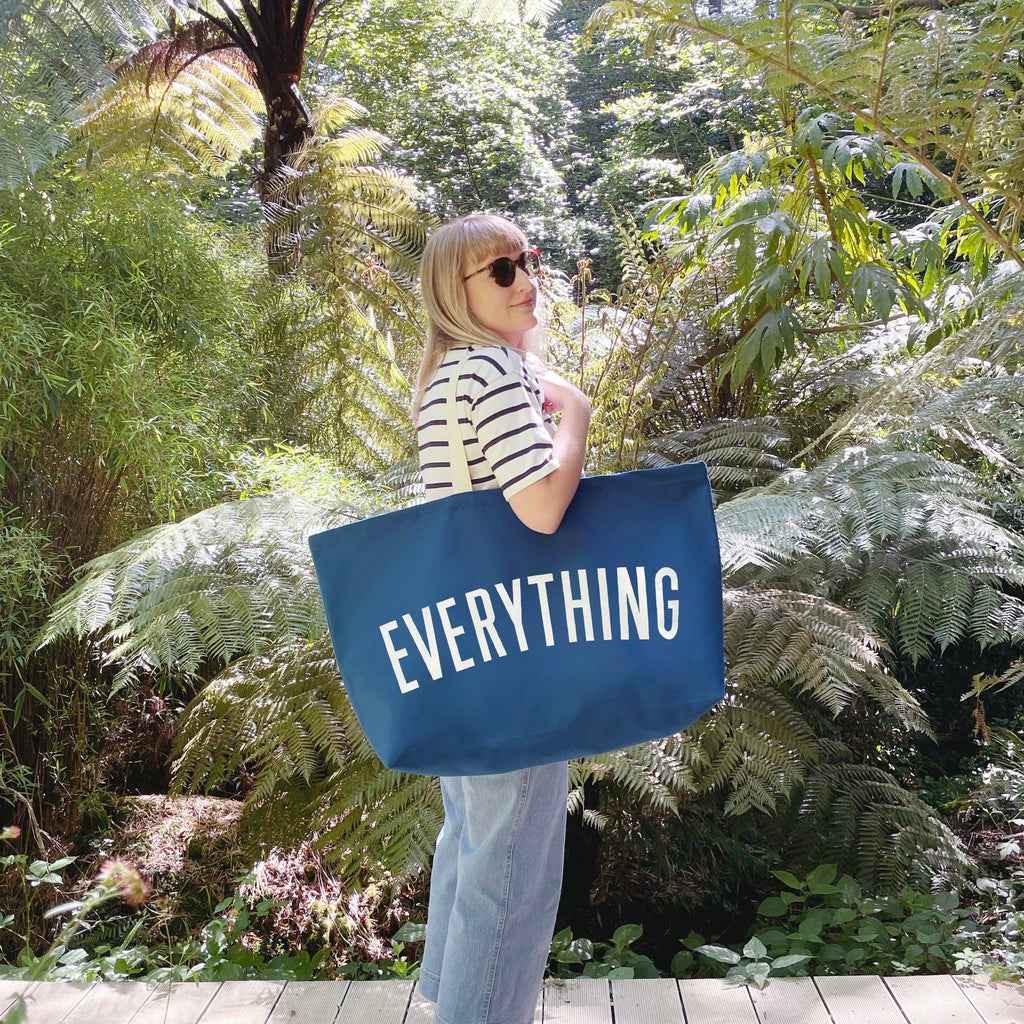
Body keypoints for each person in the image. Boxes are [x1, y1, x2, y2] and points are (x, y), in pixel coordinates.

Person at [412, 214, 591, 1024]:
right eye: (501, 271)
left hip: (464, 643)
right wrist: (576, 414)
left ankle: (453, 1006)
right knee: (511, 867)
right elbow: (544, 509)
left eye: (529, 260)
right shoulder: (488, 372)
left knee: (473, 845)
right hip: (513, 647)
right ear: (458, 290)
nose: (526, 280)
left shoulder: (451, 371)